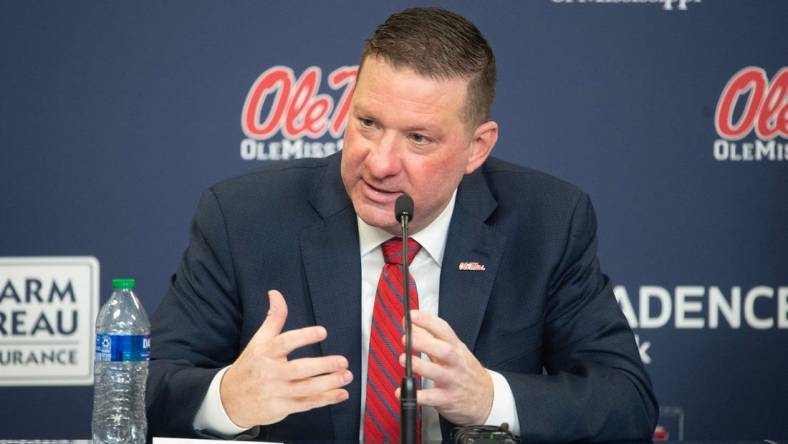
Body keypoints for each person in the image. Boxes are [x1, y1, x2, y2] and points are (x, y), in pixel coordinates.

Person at [146, 7, 658, 443]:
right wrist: (227, 399)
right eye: (367, 123)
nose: (380, 162)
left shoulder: (547, 220)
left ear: (477, 148)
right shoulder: (244, 217)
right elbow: (144, 388)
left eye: (418, 138)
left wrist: (489, 398)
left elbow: (626, 400)